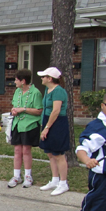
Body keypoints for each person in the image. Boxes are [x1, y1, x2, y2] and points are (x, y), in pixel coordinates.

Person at [7, 69, 43, 188]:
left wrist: (23, 109)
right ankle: (16, 176)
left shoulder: (35, 93)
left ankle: (28, 176)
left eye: (16, 80)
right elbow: (14, 106)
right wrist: (14, 110)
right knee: (17, 150)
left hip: (30, 125)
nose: (15, 82)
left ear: (23, 81)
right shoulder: (17, 91)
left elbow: (39, 111)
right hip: (17, 124)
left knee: (26, 150)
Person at [38, 67, 69, 196]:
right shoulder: (47, 90)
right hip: (47, 120)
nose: (41, 78)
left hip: (57, 123)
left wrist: (47, 128)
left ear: (50, 78)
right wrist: (43, 124)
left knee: (58, 154)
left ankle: (63, 183)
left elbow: (56, 111)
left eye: (43, 76)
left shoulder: (59, 91)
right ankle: (55, 180)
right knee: (50, 153)